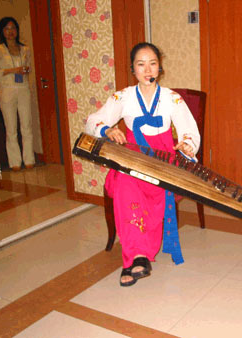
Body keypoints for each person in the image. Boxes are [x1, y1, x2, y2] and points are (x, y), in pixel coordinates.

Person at [85, 42, 200, 286]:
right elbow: (92, 121)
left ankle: (139, 255)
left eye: (153, 63)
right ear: (133, 70)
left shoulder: (172, 99)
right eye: (141, 64)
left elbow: (189, 130)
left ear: (160, 68)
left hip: (163, 165)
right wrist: (107, 129)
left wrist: (187, 145)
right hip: (132, 162)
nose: (147, 70)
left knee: (153, 187)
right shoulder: (123, 97)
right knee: (126, 183)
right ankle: (137, 256)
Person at [0, 17, 34, 171]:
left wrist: (25, 70)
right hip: (7, 90)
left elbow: (28, 68)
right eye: (7, 29)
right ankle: (15, 162)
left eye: (13, 28)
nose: (11, 32)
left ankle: (29, 159)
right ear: (2, 31)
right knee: (11, 128)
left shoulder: (25, 49)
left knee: (26, 125)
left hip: (23, 88)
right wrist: (13, 70)